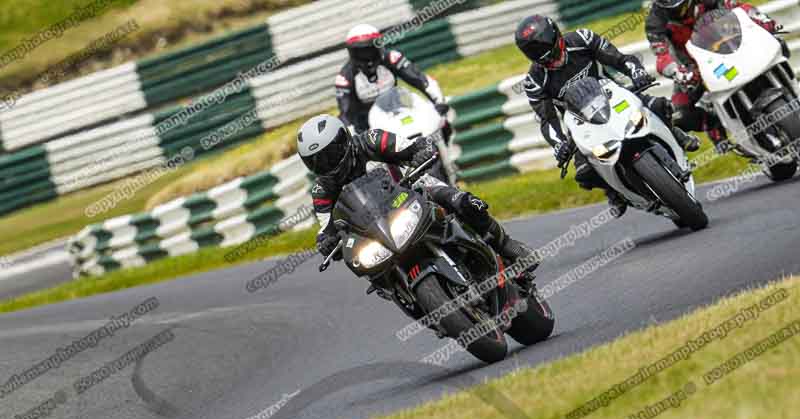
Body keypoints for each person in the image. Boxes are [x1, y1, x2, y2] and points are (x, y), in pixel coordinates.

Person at [297, 114, 537, 270]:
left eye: (329, 155)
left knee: (461, 202)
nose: (326, 164)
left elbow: (412, 147)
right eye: (316, 162)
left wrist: (421, 151)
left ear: (344, 141)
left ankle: (506, 245)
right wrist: (326, 242)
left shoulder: (372, 140)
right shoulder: (322, 190)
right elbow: (326, 227)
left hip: (412, 190)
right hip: (376, 228)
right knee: (361, 261)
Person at [515, 14, 700, 217]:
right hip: (581, 121)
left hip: (614, 96)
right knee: (584, 173)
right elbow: (547, 119)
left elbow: (620, 59)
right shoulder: (534, 81)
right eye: (546, 60)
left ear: (558, 38)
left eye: (555, 53)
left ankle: (675, 134)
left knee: (660, 106)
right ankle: (614, 192)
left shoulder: (581, 39)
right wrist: (559, 144)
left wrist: (636, 73)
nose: (554, 61)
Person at [646, 0, 783, 151]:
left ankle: (787, 88)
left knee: (778, 43)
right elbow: (662, 55)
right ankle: (716, 123)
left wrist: (761, 20)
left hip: (732, 45)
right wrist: (676, 72)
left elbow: (737, 7)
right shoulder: (654, 21)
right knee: (680, 114)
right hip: (693, 67)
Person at [336, 24, 450, 135]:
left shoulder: (392, 58)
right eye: (361, 52)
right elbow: (345, 113)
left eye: (370, 50)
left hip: (398, 111)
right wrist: (351, 134)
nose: (367, 56)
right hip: (367, 127)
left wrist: (439, 102)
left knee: (442, 124)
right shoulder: (345, 77)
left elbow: (420, 79)